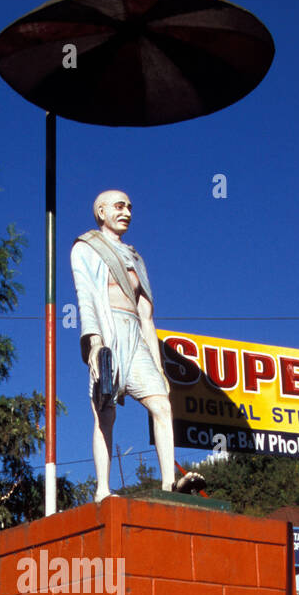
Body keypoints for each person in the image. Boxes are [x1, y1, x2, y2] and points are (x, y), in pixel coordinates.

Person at [71, 190, 203, 503]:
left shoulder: (135, 257)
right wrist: (94, 344)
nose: (127, 211)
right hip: (107, 332)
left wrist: (158, 365)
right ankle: (102, 488)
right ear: (101, 211)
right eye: (119, 206)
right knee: (105, 412)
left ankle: (170, 482)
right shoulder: (86, 247)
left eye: (130, 206)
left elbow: (147, 315)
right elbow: (86, 296)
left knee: (162, 405)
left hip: (136, 337)